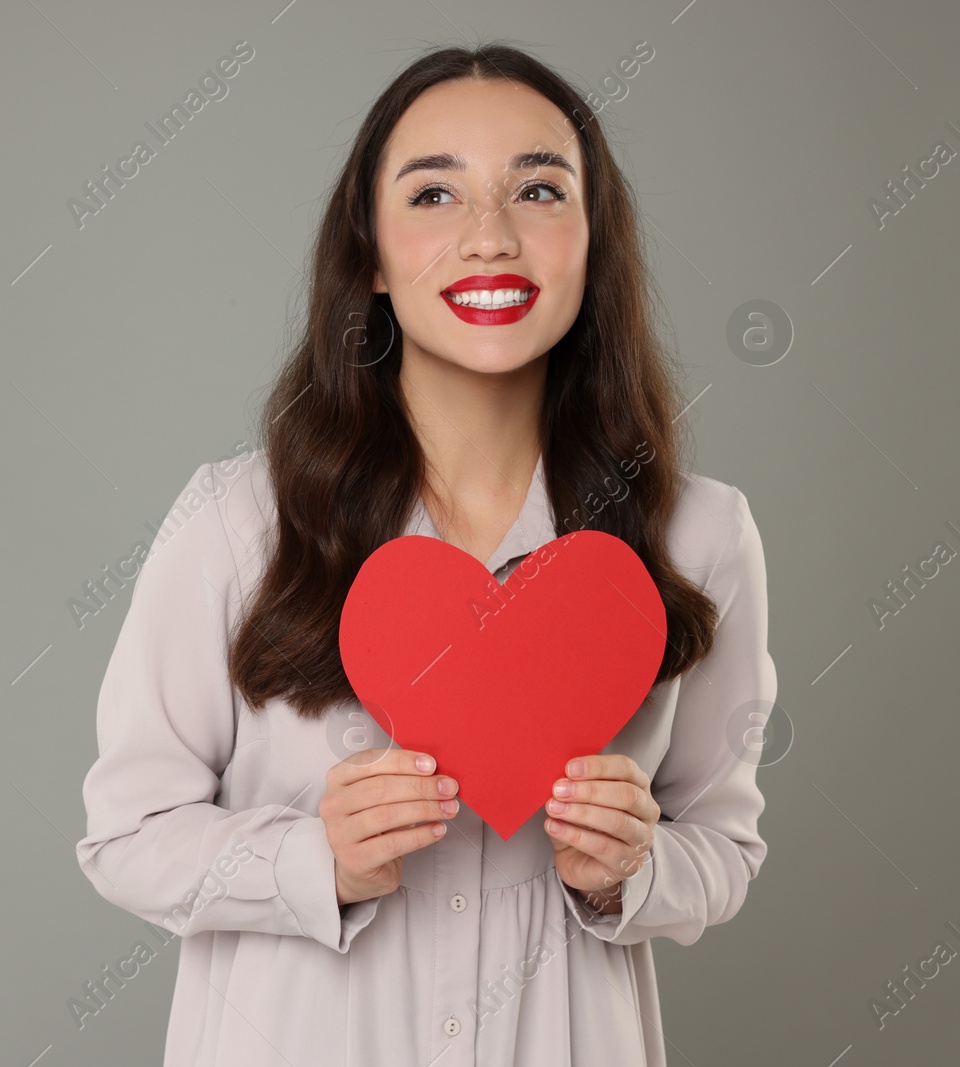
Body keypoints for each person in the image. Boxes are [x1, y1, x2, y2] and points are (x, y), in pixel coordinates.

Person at [75, 42, 772, 1067]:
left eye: (538, 189)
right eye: (434, 194)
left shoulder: (699, 537)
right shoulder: (235, 523)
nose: (489, 237)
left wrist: (633, 866)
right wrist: (313, 860)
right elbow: (124, 837)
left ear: (592, 241)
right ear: (369, 251)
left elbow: (723, 846)